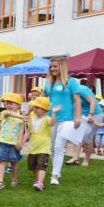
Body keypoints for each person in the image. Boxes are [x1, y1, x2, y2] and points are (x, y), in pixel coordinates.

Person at [43, 57, 81, 186]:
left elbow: (77, 101)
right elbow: (43, 101)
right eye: (51, 66)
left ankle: (54, 175)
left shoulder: (71, 82)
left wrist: (78, 117)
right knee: (52, 147)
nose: (53, 68)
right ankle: (56, 171)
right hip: (52, 118)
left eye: (55, 66)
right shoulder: (48, 83)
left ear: (62, 67)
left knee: (59, 147)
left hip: (67, 120)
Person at [0, 93, 26, 189]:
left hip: (14, 144)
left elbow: (22, 131)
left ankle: (14, 179)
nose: (8, 105)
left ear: (18, 105)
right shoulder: (5, 113)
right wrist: (21, 117)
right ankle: (0, 181)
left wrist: (20, 142)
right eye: (7, 103)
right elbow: (9, 113)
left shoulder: (21, 118)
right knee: (2, 161)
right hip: (3, 142)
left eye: (11, 103)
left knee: (14, 162)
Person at [25, 97, 57, 190]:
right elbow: (28, 131)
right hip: (33, 147)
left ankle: (40, 183)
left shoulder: (47, 118)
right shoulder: (32, 118)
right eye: (34, 107)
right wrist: (22, 142)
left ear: (45, 110)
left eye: (37, 108)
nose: (34, 109)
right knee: (33, 166)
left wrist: (54, 113)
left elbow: (52, 123)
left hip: (44, 147)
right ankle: (37, 180)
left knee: (41, 165)